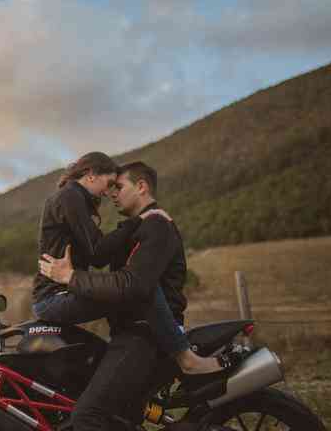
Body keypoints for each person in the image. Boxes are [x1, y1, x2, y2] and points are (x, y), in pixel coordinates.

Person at [38, 160, 227, 431]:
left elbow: (133, 286)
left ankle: (187, 360)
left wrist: (70, 277)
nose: (112, 194)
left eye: (119, 187)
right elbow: (101, 257)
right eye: (110, 187)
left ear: (141, 187)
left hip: (143, 335)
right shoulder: (136, 227)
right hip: (131, 333)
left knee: (86, 418)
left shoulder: (157, 225)